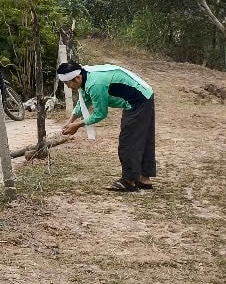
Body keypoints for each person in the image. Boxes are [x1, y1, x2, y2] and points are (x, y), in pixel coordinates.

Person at [57, 61, 157, 192]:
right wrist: (71, 120)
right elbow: (85, 100)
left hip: (138, 100)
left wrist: (77, 125)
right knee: (142, 138)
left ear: (77, 78)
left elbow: (100, 113)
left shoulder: (95, 84)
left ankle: (129, 181)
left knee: (129, 140)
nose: (68, 87)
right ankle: (144, 179)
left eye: (67, 83)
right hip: (144, 94)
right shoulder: (85, 75)